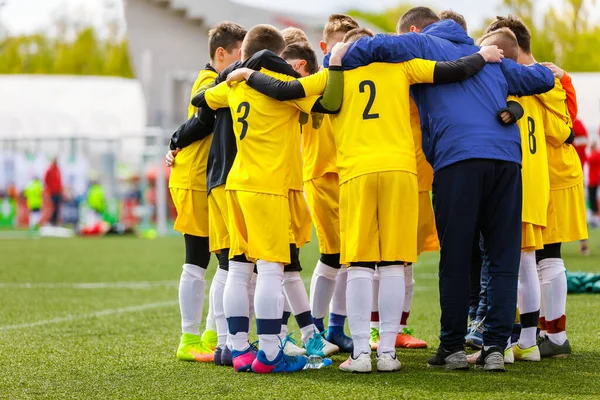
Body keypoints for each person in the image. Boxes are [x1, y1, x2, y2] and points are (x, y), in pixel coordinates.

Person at [227, 27, 505, 373]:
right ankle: (387, 351)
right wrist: (483, 55)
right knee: (392, 262)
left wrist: (247, 72)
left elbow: (286, 90)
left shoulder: (334, 74)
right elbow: (454, 69)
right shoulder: (402, 67)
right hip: (400, 171)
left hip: (356, 172)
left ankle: (360, 353)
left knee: (358, 263)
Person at [333, 7, 555, 371]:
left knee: (455, 257)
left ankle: (452, 347)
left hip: (457, 159)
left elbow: (372, 48)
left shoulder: (420, 43)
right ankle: (496, 347)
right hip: (505, 160)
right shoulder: (491, 57)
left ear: (416, 29)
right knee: (502, 259)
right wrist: (520, 98)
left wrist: (336, 55)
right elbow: (541, 81)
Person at [192, 24, 343, 374]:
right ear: (279, 53)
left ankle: (239, 348)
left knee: (239, 269)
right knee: (273, 269)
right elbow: (330, 93)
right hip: (268, 187)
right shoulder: (291, 90)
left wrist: (234, 75)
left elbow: (202, 99)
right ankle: (272, 352)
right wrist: (335, 61)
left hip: (237, 184)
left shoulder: (235, 87)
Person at [486, 15, 588, 359]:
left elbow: (565, 130)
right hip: (537, 175)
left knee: (546, 256)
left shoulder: (546, 79)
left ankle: (552, 336)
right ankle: (535, 331)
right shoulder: (533, 80)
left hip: (552, 177)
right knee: (534, 257)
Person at [166, 21, 246, 363]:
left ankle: (213, 333)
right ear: (221, 54)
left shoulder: (222, 79)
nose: (246, 61)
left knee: (225, 262)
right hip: (195, 179)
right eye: (240, 54)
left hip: (210, 179)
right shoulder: (208, 80)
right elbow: (202, 121)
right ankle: (188, 338)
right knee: (198, 261)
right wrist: (174, 141)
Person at [44, 157, 62, 226]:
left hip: (58, 191)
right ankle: (51, 221)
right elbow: (46, 180)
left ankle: (54, 222)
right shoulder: (49, 170)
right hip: (52, 191)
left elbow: (59, 180)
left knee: (57, 207)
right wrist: (48, 189)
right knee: (53, 207)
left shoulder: (57, 169)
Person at [588, 141, 600, 227]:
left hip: (594, 181)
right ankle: (595, 218)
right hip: (594, 180)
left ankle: (596, 218)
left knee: (594, 200)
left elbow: (588, 160)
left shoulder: (594, 155)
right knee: (594, 200)